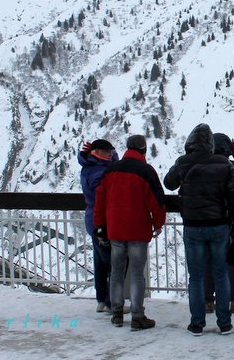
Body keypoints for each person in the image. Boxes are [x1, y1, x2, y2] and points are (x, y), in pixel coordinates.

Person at [163, 123, 234, 336]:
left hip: (193, 227)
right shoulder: (223, 164)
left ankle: (197, 323)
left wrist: (182, 166)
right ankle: (224, 323)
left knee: (196, 277)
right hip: (219, 225)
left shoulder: (183, 163)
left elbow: (169, 183)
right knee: (221, 274)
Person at [93, 135, 166, 331]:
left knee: (116, 271)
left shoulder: (111, 170)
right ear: (144, 150)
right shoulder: (146, 171)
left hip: (115, 229)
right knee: (136, 274)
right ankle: (137, 316)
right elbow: (157, 202)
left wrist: (100, 226)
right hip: (138, 229)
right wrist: (158, 224)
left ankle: (117, 313)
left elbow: (99, 200)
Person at [203, 133, 234, 314]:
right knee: (231, 259)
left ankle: (207, 300)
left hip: (205, 220)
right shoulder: (230, 166)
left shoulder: (202, 165)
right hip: (228, 220)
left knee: (208, 260)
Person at [77, 138, 119, 314]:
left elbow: (114, 164)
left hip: (93, 220)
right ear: (98, 153)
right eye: (107, 152)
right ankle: (111, 302)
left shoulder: (92, 166)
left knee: (100, 261)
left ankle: (102, 299)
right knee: (112, 263)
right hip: (101, 221)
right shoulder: (98, 173)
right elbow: (103, 196)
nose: (110, 155)